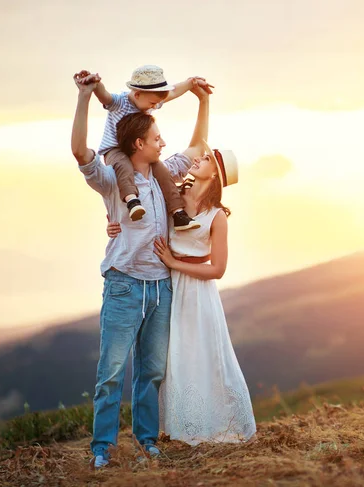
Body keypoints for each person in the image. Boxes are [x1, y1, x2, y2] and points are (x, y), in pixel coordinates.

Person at [71, 70, 211, 468]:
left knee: (150, 373)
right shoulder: (113, 179)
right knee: (111, 374)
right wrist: (83, 98)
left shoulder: (166, 175)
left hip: (160, 288)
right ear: (138, 144)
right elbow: (81, 153)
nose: (163, 143)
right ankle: (102, 449)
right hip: (124, 285)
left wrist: (202, 100)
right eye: (156, 139)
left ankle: (148, 442)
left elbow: (199, 143)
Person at [107, 123, 256, 446]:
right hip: (168, 287)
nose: (196, 161)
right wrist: (114, 222)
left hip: (198, 293)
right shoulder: (172, 194)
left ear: (214, 175)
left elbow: (218, 269)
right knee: (173, 357)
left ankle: (211, 425)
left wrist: (175, 263)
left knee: (202, 353)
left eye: (205, 161)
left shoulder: (217, 216)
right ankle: (181, 426)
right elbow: (141, 211)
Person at [74, 65, 212, 229]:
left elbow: (172, 92)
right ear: (137, 94)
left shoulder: (150, 101)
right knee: (123, 166)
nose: (155, 107)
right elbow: (104, 96)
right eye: (157, 139)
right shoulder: (120, 103)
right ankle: (132, 200)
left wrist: (191, 84)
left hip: (155, 254)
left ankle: (178, 212)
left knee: (163, 172)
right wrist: (94, 85)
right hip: (115, 150)